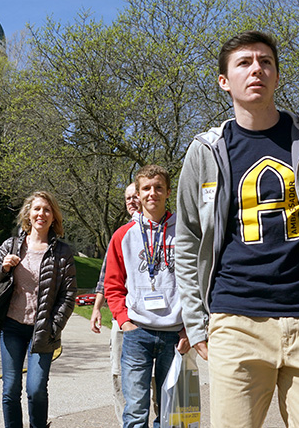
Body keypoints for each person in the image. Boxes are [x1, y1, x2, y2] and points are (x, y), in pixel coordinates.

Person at [174, 30, 299, 427]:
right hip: (235, 322)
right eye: (244, 63)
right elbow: (186, 239)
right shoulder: (205, 152)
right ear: (224, 81)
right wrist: (197, 321)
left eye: (265, 61)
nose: (257, 69)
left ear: (277, 74)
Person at [105, 164, 190, 428]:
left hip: (175, 335)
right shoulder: (123, 235)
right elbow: (113, 284)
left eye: (158, 188)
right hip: (137, 333)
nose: (152, 193)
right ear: (138, 195)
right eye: (146, 188)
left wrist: (190, 328)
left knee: (173, 414)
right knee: (135, 412)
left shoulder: (186, 233)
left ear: (168, 192)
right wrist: (124, 321)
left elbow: (198, 283)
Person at [0, 191, 77, 428]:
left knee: (36, 389)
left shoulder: (62, 252)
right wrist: (3, 268)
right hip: (12, 327)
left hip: (43, 329)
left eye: (47, 210)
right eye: (37, 209)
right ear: (28, 213)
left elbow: (68, 295)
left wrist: (54, 326)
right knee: (10, 389)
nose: (41, 214)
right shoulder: (11, 245)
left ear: (53, 216)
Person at [89, 182, 139, 424]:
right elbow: (105, 276)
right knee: (118, 374)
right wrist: (97, 308)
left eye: (135, 196)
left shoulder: (166, 231)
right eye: (127, 198)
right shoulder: (120, 234)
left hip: (152, 318)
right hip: (122, 317)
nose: (131, 201)